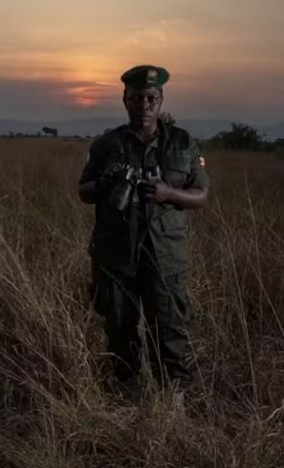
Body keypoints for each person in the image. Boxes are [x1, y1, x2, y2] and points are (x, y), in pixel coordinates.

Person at [78, 65, 209, 393]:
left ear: (161, 100)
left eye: (151, 98)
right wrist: (107, 183)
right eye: (136, 98)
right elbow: (84, 191)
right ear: (125, 101)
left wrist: (169, 193)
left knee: (171, 331)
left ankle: (174, 406)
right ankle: (127, 398)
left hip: (166, 256)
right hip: (118, 255)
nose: (144, 105)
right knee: (120, 331)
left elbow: (201, 194)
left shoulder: (182, 144)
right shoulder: (107, 145)